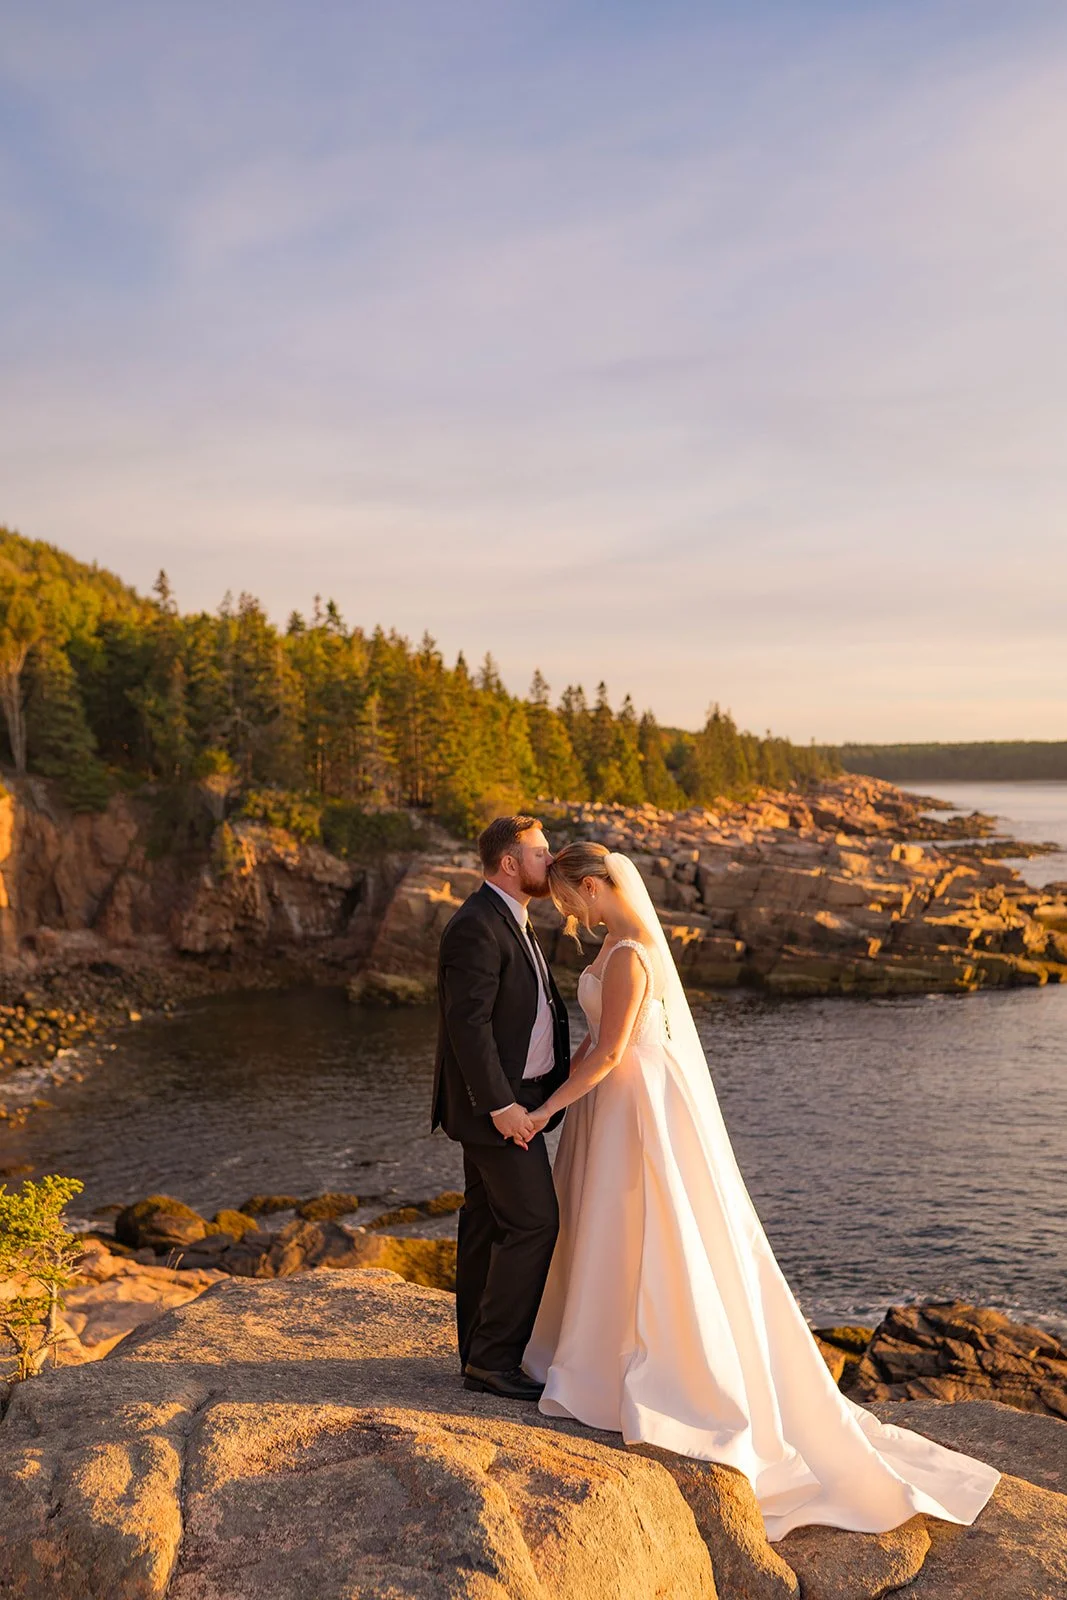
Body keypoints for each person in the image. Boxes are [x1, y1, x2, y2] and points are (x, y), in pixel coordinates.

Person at [517, 842, 1001, 1542]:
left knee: (647, 1227)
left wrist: (543, 1109)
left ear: (594, 886)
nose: (568, 914)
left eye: (570, 899)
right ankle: (598, 1347)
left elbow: (613, 1049)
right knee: (617, 1229)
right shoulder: (621, 944)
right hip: (613, 1103)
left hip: (634, 1102)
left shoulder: (626, 955)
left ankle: (636, 1366)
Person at [431, 815, 570, 1401]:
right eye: (541, 853)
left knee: (487, 1221)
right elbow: (469, 1029)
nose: (552, 860)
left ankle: (476, 1354)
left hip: (519, 1098)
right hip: (498, 1109)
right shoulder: (476, 926)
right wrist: (502, 1107)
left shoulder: (512, 918)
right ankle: (493, 1358)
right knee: (536, 1222)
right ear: (509, 864)